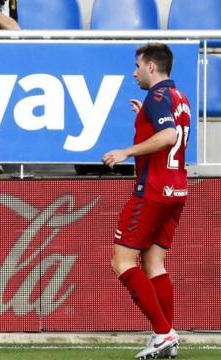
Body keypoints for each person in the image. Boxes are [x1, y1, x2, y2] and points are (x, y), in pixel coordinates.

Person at [103, 43, 190, 360]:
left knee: (122, 261)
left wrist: (126, 151)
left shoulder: (157, 98)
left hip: (152, 189)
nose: (134, 70)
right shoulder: (178, 98)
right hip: (177, 189)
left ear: (152, 66)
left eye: (138, 65)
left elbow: (167, 137)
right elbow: (172, 133)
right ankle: (167, 332)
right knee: (154, 263)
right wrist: (145, 116)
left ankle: (162, 332)